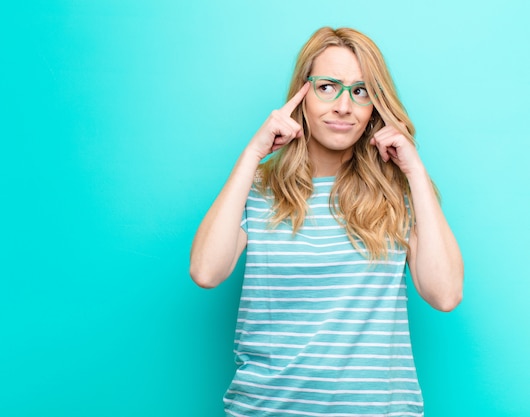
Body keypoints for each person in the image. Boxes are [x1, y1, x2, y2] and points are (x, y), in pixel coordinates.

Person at [190, 26, 463, 417]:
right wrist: (253, 154)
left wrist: (414, 171)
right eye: (326, 87)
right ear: (302, 93)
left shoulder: (396, 197)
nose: (343, 106)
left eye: (360, 91)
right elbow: (206, 271)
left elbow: (445, 294)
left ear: (375, 106)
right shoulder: (258, 191)